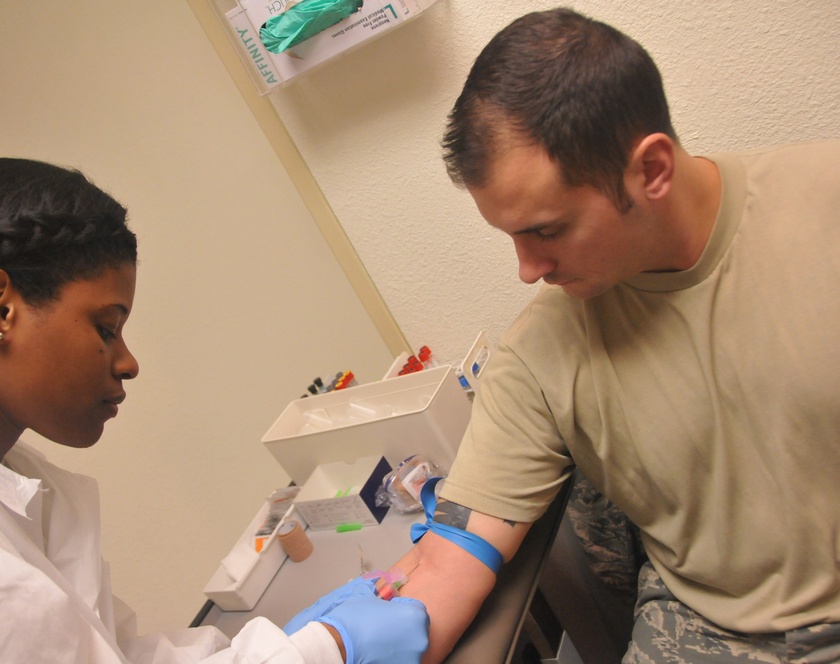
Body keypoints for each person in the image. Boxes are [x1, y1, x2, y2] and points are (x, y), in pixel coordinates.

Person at [358, 7, 838, 663]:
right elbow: (448, 562)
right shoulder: (540, 354)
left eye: (547, 230)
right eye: (511, 236)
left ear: (653, 170)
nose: (528, 269)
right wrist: (326, 648)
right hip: (716, 632)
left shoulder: (823, 212)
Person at [0, 157, 429, 663]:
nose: (128, 363)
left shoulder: (11, 477)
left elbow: (110, 653)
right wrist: (327, 648)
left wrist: (290, 643)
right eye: (105, 327)